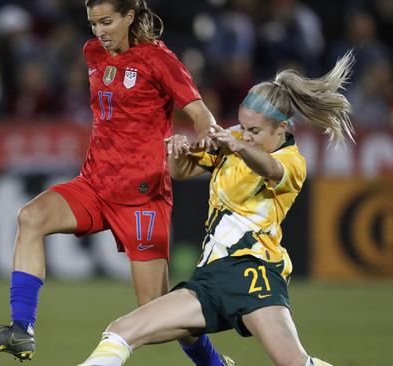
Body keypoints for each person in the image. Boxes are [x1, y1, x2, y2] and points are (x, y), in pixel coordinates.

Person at [0, 1, 233, 365]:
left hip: (143, 198)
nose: (99, 31)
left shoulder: (160, 60)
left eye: (107, 21)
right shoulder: (92, 52)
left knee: (157, 314)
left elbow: (202, 116)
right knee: (30, 217)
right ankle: (22, 329)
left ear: (130, 16)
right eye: (93, 23)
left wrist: (205, 139)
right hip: (94, 185)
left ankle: (213, 363)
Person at [77, 51, 355, 366]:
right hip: (212, 276)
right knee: (120, 331)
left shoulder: (291, 161)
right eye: (243, 126)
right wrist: (177, 150)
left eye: (255, 131)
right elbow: (180, 172)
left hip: (254, 274)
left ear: (282, 128)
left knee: (293, 362)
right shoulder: (235, 139)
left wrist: (239, 146)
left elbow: (271, 170)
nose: (245, 134)